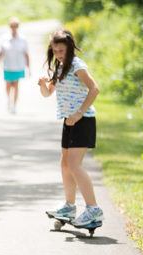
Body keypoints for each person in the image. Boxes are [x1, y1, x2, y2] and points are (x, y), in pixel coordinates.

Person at [38, 29, 104, 226]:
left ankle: (93, 209)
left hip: (83, 120)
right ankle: (69, 206)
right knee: (65, 164)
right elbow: (47, 93)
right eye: (55, 50)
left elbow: (95, 88)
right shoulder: (60, 66)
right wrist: (42, 84)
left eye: (62, 51)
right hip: (69, 121)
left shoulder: (76, 65)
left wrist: (79, 113)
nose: (58, 54)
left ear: (70, 48)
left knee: (74, 165)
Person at [0, 17, 30, 114]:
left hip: (19, 66)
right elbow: (0, 52)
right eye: (12, 26)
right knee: (8, 85)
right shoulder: (5, 38)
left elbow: (26, 53)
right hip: (7, 65)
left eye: (16, 26)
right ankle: (8, 100)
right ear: (9, 26)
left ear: (18, 27)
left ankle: (14, 105)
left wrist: (29, 67)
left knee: (16, 85)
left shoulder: (23, 39)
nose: (14, 28)